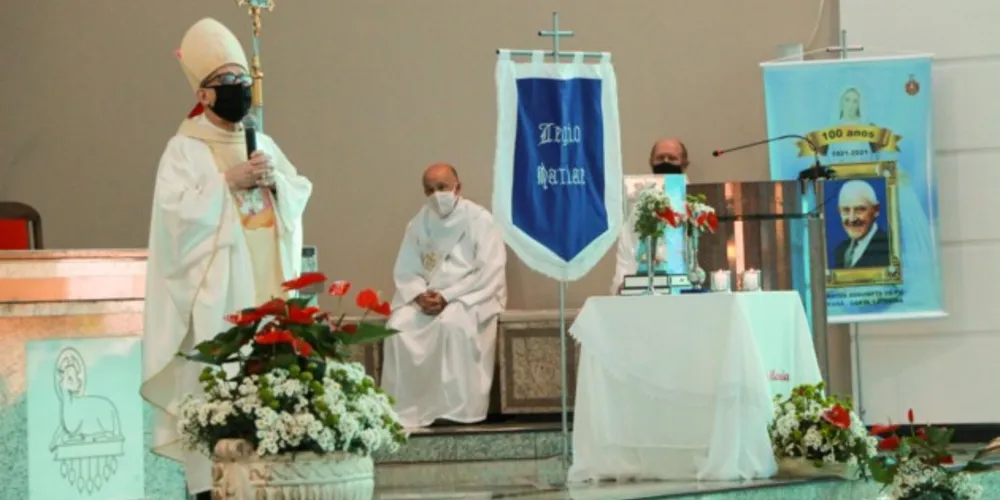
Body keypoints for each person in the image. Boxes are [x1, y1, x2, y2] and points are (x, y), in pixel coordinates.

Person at [139, 18, 313, 499]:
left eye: (243, 80)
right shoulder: (184, 149)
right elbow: (172, 221)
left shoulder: (264, 141)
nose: (239, 89)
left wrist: (277, 182)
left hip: (269, 289)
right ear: (205, 93)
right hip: (218, 299)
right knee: (218, 401)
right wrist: (227, 184)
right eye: (227, 82)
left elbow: (298, 191)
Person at [381, 163, 507, 429]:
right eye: (430, 190)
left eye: (442, 187)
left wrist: (448, 296)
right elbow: (407, 268)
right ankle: (408, 410)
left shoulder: (479, 219)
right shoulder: (419, 223)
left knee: (452, 326)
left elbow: (489, 269)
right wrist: (418, 295)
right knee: (397, 327)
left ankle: (456, 409)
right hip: (427, 298)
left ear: (457, 187)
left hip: (469, 294)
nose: (437, 195)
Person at [610, 138, 689, 294]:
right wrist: (622, 284)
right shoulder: (640, 206)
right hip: (646, 294)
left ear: (684, 164)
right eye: (660, 158)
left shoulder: (692, 203)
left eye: (672, 158)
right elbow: (627, 252)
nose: (665, 162)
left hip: (684, 293)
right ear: (651, 162)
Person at [833, 179, 890, 269]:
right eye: (846, 210)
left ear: (876, 210)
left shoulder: (889, 249)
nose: (852, 219)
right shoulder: (840, 250)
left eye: (859, 209)